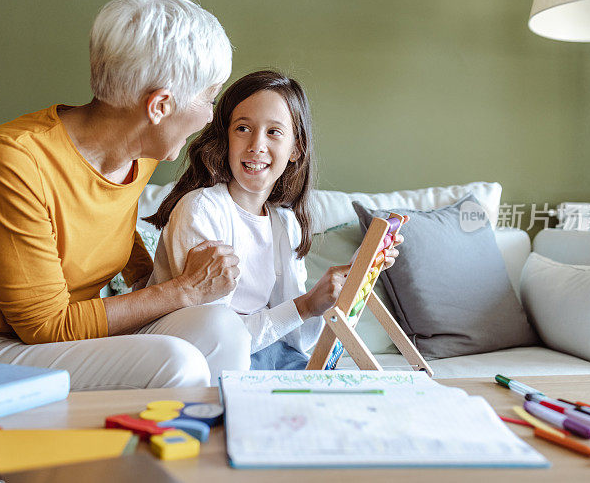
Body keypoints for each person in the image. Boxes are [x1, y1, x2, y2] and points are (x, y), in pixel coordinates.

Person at [0, 0, 246, 390]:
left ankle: (214, 449)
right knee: (175, 362)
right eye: (209, 99)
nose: (209, 117)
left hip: (59, 346)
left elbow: (99, 222)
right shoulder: (14, 160)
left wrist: (153, 274)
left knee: (222, 328)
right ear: (159, 106)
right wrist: (183, 289)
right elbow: (45, 325)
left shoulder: (142, 152)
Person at [146, 70, 403, 373]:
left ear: (295, 149)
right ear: (226, 138)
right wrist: (305, 305)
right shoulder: (201, 210)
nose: (256, 144)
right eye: (243, 128)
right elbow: (215, 337)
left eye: (274, 132)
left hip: (260, 350)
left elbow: (295, 338)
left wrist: (340, 287)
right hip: (201, 354)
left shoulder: (285, 223)